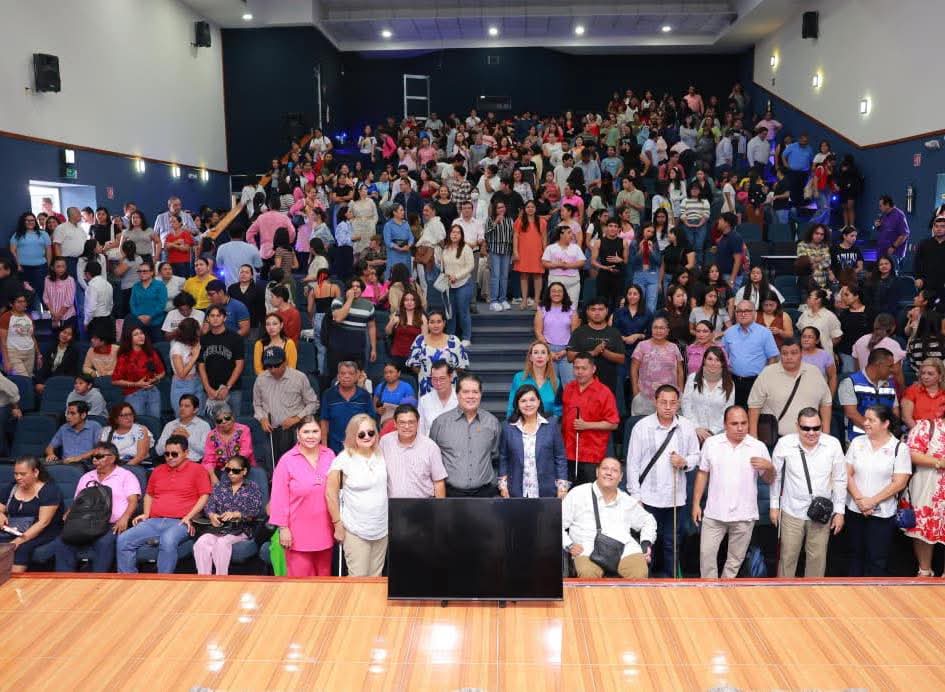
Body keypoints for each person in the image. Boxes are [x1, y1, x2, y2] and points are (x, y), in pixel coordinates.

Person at [626, 385, 701, 577]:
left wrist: (684, 462)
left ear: (678, 404)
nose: (668, 407)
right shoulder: (641, 427)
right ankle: (646, 581)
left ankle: (671, 582)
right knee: (648, 543)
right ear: (655, 402)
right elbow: (632, 464)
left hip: (676, 498)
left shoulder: (686, 426)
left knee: (672, 543)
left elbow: (696, 455)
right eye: (663, 402)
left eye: (672, 403)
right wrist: (635, 496)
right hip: (648, 498)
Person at [692, 405, 774, 579]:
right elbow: (702, 473)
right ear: (725, 425)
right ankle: (710, 590)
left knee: (735, 560)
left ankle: (725, 590)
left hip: (744, 514)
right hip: (714, 512)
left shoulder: (757, 446)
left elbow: (769, 479)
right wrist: (696, 504)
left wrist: (769, 467)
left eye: (744, 423)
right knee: (706, 556)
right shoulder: (711, 443)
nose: (740, 428)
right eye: (734, 423)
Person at [116, 435, 211, 574]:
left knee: (167, 540)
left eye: (174, 454)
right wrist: (146, 514)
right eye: (167, 454)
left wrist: (189, 517)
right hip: (154, 520)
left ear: (186, 453)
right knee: (123, 539)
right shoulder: (158, 470)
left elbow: (204, 496)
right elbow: (149, 494)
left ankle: (163, 580)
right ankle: (128, 580)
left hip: (180, 522)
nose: (170, 457)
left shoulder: (198, 469)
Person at [770, 408, 846, 578]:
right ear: (797, 426)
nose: (811, 433)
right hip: (792, 510)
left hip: (821, 513)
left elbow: (840, 479)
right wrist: (774, 506)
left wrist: (839, 511)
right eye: (806, 428)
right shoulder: (785, 443)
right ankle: (783, 592)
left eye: (816, 428)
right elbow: (776, 476)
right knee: (787, 557)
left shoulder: (832, 444)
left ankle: (813, 592)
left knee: (817, 559)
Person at [561, 457, 656, 579]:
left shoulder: (626, 500)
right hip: (587, 549)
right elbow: (556, 522)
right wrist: (569, 545)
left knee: (639, 572)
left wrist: (646, 542)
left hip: (624, 549)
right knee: (588, 574)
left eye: (614, 470)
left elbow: (648, 520)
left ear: (621, 477)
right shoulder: (578, 493)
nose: (609, 473)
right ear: (597, 472)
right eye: (605, 468)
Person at [844, 405, 911, 576]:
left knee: (877, 559)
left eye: (871, 420)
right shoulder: (857, 442)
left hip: (883, 513)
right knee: (854, 555)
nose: (865, 423)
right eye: (865, 418)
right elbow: (846, 473)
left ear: (885, 423)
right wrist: (860, 500)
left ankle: (874, 591)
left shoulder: (899, 448)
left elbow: (900, 482)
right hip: (855, 509)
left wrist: (871, 502)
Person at [52, 442, 140, 573]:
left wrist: (125, 518)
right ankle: (64, 579)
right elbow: (78, 501)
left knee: (104, 542)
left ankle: (98, 580)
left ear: (112, 458)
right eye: (93, 457)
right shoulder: (87, 477)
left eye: (99, 457)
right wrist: (69, 513)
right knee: (63, 541)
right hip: (86, 522)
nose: (94, 460)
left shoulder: (126, 476)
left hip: (112, 524)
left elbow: (133, 501)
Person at [268, 417, 337, 576]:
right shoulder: (286, 460)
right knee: (301, 583)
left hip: (325, 530)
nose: (311, 436)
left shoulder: (330, 455)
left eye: (315, 431)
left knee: (324, 579)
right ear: (298, 434)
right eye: (306, 432)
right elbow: (279, 497)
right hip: (297, 534)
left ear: (321, 433)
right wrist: (283, 528)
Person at [326, 414, 388, 577]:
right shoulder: (343, 459)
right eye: (361, 434)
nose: (367, 437)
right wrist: (337, 524)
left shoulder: (381, 454)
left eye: (371, 432)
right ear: (353, 435)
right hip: (356, 530)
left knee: (376, 578)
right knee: (358, 579)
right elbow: (330, 494)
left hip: (381, 529)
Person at [429, 373, 501, 497]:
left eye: (475, 392)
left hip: (485, 494)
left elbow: (495, 455)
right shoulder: (440, 423)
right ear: (457, 394)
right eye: (466, 392)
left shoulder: (492, 422)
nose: (471, 396)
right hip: (451, 494)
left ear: (481, 394)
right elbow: (432, 458)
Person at [193, 454, 264, 576]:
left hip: (241, 528)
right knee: (201, 542)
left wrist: (237, 514)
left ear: (244, 471)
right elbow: (209, 506)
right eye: (228, 470)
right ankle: (204, 579)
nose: (230, 473)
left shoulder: (252, 487)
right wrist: (212, 515)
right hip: (219, 528)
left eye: (235, 471)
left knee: (222, 543)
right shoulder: (220, 486)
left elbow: (256, 510)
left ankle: (221, 579)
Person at [748, 338, 833, 439]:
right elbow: (754, 406)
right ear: (780, 355)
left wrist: (826, 434)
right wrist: (753, 436)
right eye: (785, 353)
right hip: (776, 439)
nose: (789, 357)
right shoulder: (767, 373)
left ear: (801, 354)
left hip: (810, 437)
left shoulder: (814, 372)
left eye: (794, 353)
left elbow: (826, 403)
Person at [498, 385, 568, 498]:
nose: (528, 404)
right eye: (523, 401)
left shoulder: (551, 425)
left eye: (532, 400)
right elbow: (503, 458)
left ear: (539, 402)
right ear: (517, 404)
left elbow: (560, 457)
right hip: (516, 491)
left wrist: (562, 487)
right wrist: (503, 486)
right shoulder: (508, 427)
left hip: (547, 490)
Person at [561, 353, 620, 485]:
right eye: (576, 368)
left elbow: (613, 423)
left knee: (590, 492)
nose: (580, 372)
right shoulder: (569, 388)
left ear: (593, 369)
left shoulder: (604, 392)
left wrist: (587, 425)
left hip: (592, 455)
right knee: (568, 494)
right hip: (568, 452)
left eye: (584, 368)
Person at [254, 345, 319, 462]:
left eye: (276, 365)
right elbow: (257, 404)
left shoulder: (299, 377)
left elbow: (313, 403)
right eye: (269, 366)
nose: (273, 369)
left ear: (285, 362)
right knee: (274, 466)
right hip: (272, 431)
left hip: (295, 430)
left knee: (298, 464)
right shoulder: (261, 379)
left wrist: (296, 418)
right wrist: (262, 418)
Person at [0, 456, 64, 572]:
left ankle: (13, 581)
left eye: (23, 474)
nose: (18, 477)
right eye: (16, 474)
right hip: (15, 529)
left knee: (21, 548)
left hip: (42, 532)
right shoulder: (13, 487)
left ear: (35, 472)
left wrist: (17, 541)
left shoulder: (50, 490)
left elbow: (43, 523)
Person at [903, 410, 945, 575]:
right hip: (927, 487)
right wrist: (939, 462)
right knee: (923, 530)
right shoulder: (927, 426)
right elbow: (911, 453)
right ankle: (924, 571)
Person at [381, 404, 448, 498]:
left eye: (411, 422)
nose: (407, 426)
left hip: (423, 503)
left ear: (418, 423)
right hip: (392, 503)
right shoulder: (385, 442)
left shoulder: (430, 447)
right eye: (402, 422)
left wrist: (440, 506)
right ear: (395, 423)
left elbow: (438, 482)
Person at [566, 297, 626, 400]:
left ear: (606, 311)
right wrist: (592, 353)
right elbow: (570, 357)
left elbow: (621, 359)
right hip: (583, 384)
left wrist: (604, 352)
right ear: (587, 312)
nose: (597, 313)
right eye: (593, 309)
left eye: (600, 309)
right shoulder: (579, 332)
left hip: (608, 384)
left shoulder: (614, 332)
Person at [722, 300, 780, 406]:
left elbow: (773, 358)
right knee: (735, 411)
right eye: (739, 311)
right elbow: (723, 356)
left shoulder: (764, 333)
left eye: (747, 311)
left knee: (754, 411)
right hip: (733, 381)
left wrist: (765, 379)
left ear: (754, 313)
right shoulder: (729, 332)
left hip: (756, 381)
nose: (743, 314)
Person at [839, 348, 899, 442]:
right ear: (879, 365)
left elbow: (895, 411)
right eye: (890, 366)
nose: (893, 370)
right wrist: (877, 432)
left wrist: (887, 433)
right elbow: (851, 413)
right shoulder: (850, 382)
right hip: (858, 439)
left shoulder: (890, 384)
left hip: (886, 439)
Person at [406, 308, 468, 395]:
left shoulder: (454, 341)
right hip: (426, 387)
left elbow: (460, 366)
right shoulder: (420, 340)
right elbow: (414, 365)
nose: (435, 325)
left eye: (439, 322)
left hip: (448, 387)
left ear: (444, 323)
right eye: (432, 322)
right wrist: (427, 375)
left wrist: (445, 377)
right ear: (427, 324)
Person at [198, 305, 246, 416]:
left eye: (218, 316)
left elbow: (239, 365)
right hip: (209, 390)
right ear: (207, 319)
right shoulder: (203, 339)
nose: (215, 318)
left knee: (234, 422)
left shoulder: (236, 338)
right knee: (210, 423)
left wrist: (227, 387)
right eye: (212, 316)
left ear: (224, 318)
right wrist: (207, 388)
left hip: (232, 389)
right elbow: (201, 365)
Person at [682, 346, 735, 445]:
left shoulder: (729, 383)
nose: (713, 363)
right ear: (704, 360)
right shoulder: (693, 378)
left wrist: (711, 432)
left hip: (717, 436)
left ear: (722, 363)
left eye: (717, 360)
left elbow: (727, 411)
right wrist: (696, 428)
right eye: (710, 359)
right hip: (693, 433)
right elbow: (686, 405)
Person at [319, 360, 374, 454]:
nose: (346, 376)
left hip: (359, 446)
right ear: (338, 376)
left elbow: (370, 421)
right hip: (335, 446)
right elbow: (324, 421)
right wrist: (324, 446)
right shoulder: (329, 394)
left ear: (357, 376)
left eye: (351, 373)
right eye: (343, 373)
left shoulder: (364, 395)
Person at [111, 326, 165, 419]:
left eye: (141, 333)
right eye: (136, 334)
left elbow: (162, 372)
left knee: (155, 421)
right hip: (134, 394)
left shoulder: (151, 352)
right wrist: (136, 384)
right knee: (138, 422)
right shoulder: (124, 357)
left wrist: (154, 379)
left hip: (152, 391)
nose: (140, 336)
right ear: (129, 338)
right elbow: (115, 381)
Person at [535, 282, 581, 388]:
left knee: (569, 385)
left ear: (564, 294)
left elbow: (575, 334)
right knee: (549, 385)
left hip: (567, 351)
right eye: (554, 291)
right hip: (548, 350)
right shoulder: (542, 309)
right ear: (549, 293)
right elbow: (538, 332)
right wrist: (548, 351)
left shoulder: (571, 310)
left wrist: (566, 351)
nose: (556, 293)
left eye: (559, 291)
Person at [328, 278, 377, 374]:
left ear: (362, 289)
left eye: (358, 286)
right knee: (338, 376)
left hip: (358, 349)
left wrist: (373, 349)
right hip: (339, 348)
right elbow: (338, 318)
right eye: (352, 286)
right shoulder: (338, 301)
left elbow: (372, 327)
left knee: (357, 376)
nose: (355, 289)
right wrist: (349, 299)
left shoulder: (369, 306)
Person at [506, 341, 561, 418]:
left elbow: (558, 410)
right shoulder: (519, 378)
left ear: (548, 357)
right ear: (531, 357)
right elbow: (512, 406)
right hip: (523, 422)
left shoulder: (556, 381)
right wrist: (510, 422)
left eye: (543, 352)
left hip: (547, 423)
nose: (539, 356)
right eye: (536, 352)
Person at [439, 224, 475, 345]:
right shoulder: (446, 249)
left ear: (461, 235)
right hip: (449, 285)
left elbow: (470, 266)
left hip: (463, 284)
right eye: (453, 232)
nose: (455, 234)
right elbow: (443, 267)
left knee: (463, 311)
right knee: (450, 313)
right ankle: (451, 337)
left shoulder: (466, 248)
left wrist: (457, 276)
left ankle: (466, 337)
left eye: (458, 232)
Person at [202, 405, 255, 482]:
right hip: (220, 471)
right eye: (219, 421)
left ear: (233, 417)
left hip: (244, 468)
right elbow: (208, 460)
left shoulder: (244, 430)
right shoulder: (211, 436)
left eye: (227, 418)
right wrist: (212, 476)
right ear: (215, 423)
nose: (224, 422)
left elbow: (246, 452)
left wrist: (230, 466)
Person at [155, 394, 210, 463]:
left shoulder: (203, 425)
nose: (182, 409)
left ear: (195, 410)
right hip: (171, 462)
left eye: (187, 406)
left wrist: (188, 437)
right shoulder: (170, 425)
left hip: (193, 463)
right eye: (181, 406)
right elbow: (158, 451)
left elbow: (206, 451)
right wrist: (170, 438)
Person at [512, 200, 547, 309]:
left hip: (537, 252)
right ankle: (524, 300)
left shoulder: (542, 221)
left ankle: (536, 301)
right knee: (524, 276)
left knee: (538, 275)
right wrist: (515, 251)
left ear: (535, 209)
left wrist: (545, 252)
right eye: (528, 207)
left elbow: (544, 238)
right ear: (524, 209)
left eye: (532, 207)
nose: (530, 209)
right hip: (523, 252)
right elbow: (515, 237)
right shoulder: (519, 221)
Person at [540, 224, 585, 308]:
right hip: (555, 283)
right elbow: (544, 263)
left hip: (573, 283)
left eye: (572, 233)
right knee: (555, 307)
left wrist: (568, 266)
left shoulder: (576, 247)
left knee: (572, 308)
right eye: (569, 233)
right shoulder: (550, 248)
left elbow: (582, 262)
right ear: (561, 234)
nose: (572, 235)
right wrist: (557, 265)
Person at [45, 401, 102, 466]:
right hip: (66, 464)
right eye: (68, 413)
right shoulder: (64, 428)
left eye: (73, 413)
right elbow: (50, 447)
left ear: (83, 415)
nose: (68, 417)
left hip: (86, 464)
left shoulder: (94, 426)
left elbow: (99, 449)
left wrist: (79, 458)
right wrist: (51, 454)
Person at [0, 293, 40, 376]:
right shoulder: (6, 317)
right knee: (22, 378)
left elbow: (32, 337)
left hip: (30, 352)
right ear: (11, 304)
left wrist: (38, 354)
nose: (23, 304)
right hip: (14, 353)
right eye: (19, 302)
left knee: (28, 378)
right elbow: (3, 342)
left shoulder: (29, 317)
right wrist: (6, 361)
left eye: (24, 301)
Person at [485, 200, 515, 310]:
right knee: (495, 276)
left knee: (504, 276)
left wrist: (513, 251)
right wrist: (495, 222)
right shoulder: (490, 219)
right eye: (498, 208)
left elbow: (513, 236)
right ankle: (494, 301)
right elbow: (486, 234)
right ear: (495, 209)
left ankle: (503, 299)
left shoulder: (510, 220)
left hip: (506, 250)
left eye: (502, 207)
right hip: (495, 250)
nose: (501, 209)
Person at [35, 324, 81, 394]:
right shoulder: (50, 347)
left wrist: (51, 384)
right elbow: (43, 367)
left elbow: (73, 373)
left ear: (72, 337)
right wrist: (40, 383)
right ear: (60, 332)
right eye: (64, 332)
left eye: (69, 334)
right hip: (46, 380)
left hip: (62, 382)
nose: (65, 336)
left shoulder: (74, 351)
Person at [796, 289, 843, 358]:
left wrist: (826, 345)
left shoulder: (830, 316)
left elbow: (837, 337)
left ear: (818, 300)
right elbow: (800, 330)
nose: (807, 299)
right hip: (805, 354)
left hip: (824, 355)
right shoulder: (805, 314)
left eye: (810, 297)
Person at [417, 360, 458, 437]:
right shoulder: (424, 400)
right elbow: (420, 430)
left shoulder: (461, 399)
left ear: (451, 377)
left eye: (442, 378)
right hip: (430, 443)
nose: (438, 383)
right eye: (435, 379)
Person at [902, 358, 945, 429]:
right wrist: (920, 432)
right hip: (915, 429)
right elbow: (906, 418)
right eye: (923, 373)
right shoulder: (912, 390)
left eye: (930, 374)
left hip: (940, 430)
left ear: (940, 376)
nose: (925, 377)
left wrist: (937, 432)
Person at [42, 257, 77, 333]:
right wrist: (53, 313)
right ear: (52, 268)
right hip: (52, 317)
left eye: (63, 266)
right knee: (54, 338)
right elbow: (45, 298)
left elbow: (69, 301)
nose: (61, 269)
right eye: (58, 266)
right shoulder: (47, 279)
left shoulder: (70, 280)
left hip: (67, 318)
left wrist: (58, 316)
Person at [914, 214, 945, 301]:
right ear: (933, 228)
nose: (939, 229)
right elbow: (917, 263)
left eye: (942, 226)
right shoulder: (924, 244)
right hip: (927, 284)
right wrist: (918, 278)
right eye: (936, 226)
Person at [873, 195, 910, 266]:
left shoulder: (899, 215)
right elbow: (884, 231)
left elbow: (904, 234)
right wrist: (878, 226)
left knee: (893, 271)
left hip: (894, 254)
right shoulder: (884, 215)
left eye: (881, 206)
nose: (879, 208)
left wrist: (893, 247)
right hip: (881, 251)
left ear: (887, 205)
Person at [800, 326, 838, 394]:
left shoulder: (825, 355)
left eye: (810, 337)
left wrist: (830, 397)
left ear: (817, 341)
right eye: (804, 337)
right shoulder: (795, 354)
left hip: (820, 394)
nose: (806, 339)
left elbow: (832, 377)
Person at [82, 261, 114, 337]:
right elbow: (111, 304)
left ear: (87, 273)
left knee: (95, 343)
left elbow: (91, 307)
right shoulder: (108, 284)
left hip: (96, 322)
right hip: (108, 319)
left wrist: (86, 322)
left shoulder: (92, 286)